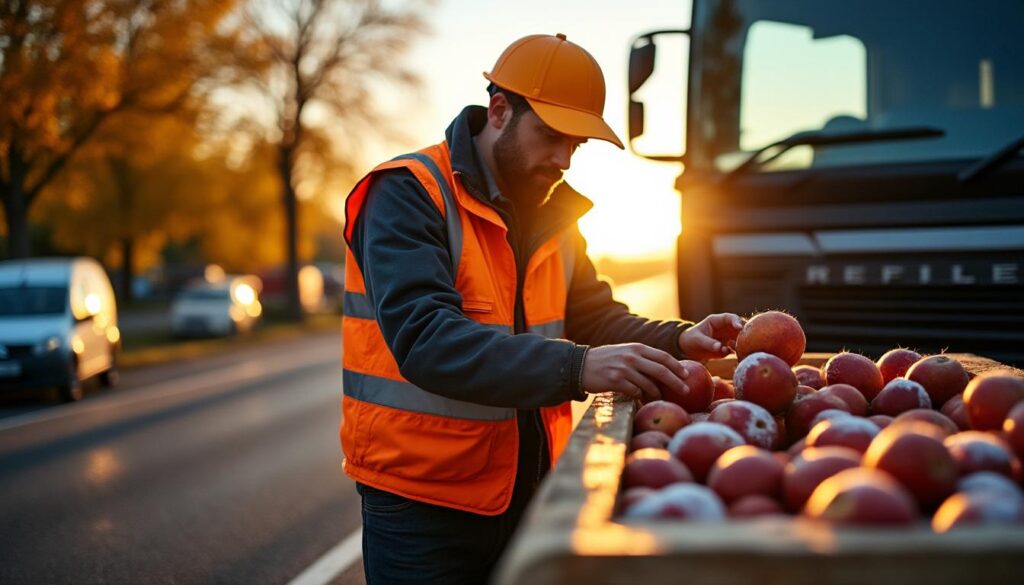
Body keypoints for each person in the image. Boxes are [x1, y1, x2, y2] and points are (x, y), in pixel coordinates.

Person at [341, 33, 743, 584]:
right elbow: (426, 340)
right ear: (500, 110)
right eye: (551, 136)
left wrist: (678, 338)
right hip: (423, 505)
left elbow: (593, 317)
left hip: (527, 489)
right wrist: (577, 367)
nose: (563, 159)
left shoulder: (554, 211)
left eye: (576, 144)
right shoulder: (408, 193)